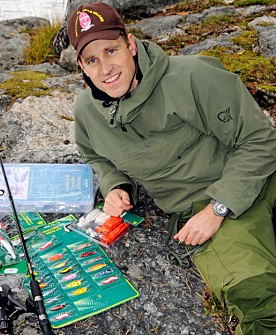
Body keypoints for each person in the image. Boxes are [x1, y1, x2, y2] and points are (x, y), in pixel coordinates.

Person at [67, 2, 276, 334]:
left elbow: (260, 139)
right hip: (200, 208)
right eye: (92, 60)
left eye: (111, 50)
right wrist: (115, 185)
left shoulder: (193, 76)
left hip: (257, 177)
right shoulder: (86, 112)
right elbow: (96, 156)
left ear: (131, 45)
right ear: (81, 67)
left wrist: (219, 207)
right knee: (262, 302)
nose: (105, 68)